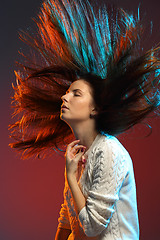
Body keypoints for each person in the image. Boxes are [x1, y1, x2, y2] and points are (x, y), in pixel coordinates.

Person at [9, 0, 160, 239]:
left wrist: (70, 175)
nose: (64, 96)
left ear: (95, 109)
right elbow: (68, 218)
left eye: (75, 93)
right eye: (67, 91)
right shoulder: (79, 153)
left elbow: (91, 227)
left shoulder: (108, 151)